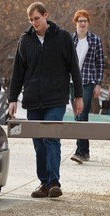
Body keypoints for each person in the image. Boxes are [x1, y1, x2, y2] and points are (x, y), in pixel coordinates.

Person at [8, 1, 83, 198]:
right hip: (32, 100)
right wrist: (12, 98)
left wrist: (78, 96)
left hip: (56, 99)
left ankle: (54, 182)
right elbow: (17, 72)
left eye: (37, 18)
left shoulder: (63, 37)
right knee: (38, 143)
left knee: (51, 138)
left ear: (46, 15)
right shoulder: (25, 41)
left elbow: (74, 68)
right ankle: (44, 183)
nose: (34, 22)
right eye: (31, 20)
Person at [70, 9, 105, 164]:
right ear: (75, 23)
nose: (82, 23)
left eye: (85, 21)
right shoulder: (70, 39)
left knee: (82, 114)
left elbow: (100, 63)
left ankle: (80, 152)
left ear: (88, 23)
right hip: (72, 82)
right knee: (78, 116)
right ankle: (85, 151)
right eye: (80, 21)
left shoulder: (95, 40)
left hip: (88, 81)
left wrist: (98, 84)